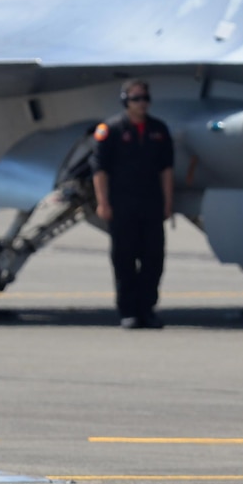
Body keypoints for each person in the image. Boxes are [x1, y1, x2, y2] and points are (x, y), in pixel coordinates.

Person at [91, 80, 176, 329]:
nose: (142, 104)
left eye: (145, 99)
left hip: (151, 204)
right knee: (124, 259)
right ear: (125, 101)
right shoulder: (111, 130)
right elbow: (100, 170)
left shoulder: (158, 130)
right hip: (122, 204)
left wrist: (168, 202)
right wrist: (103, 202)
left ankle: (147, 309)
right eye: (136, 99)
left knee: (154, 259)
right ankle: (128, 311)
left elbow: (166, 169)